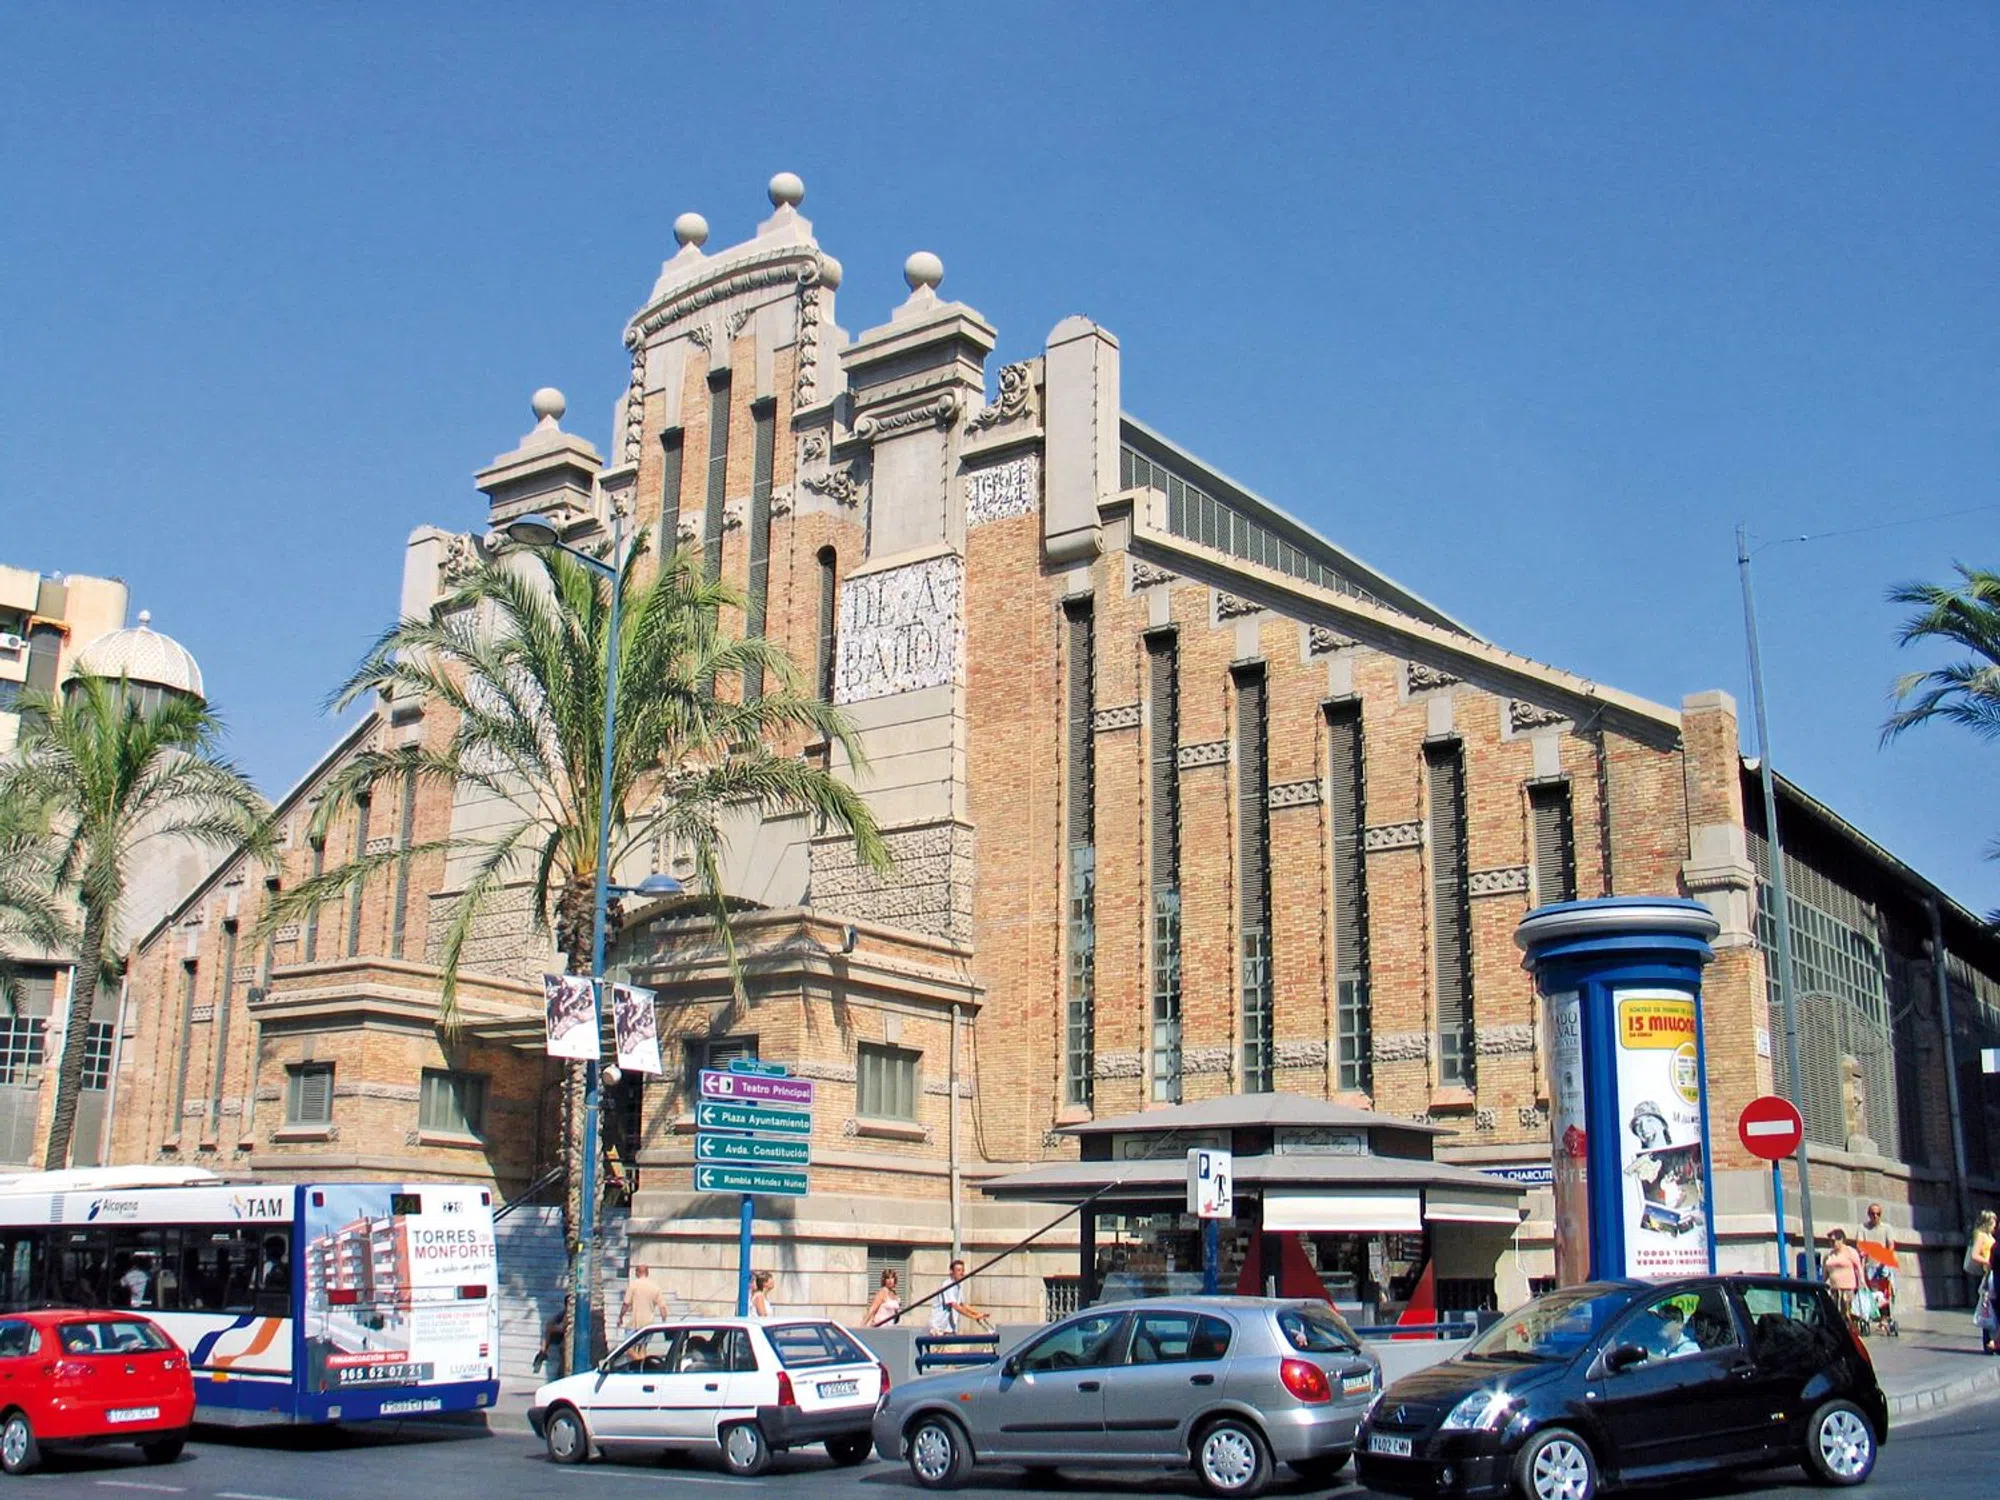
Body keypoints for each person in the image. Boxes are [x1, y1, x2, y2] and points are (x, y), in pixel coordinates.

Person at [928, 1259, 988, 1336]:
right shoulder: (948, 1285)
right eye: (959, 1270)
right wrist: (974, 1317)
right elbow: (955, 1306)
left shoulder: (958, 1286)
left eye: (963, 1270)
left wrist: (978, 1313)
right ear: (951, 1272)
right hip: (938, 1329)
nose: (962, 1273)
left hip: (948, 1330)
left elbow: (963, 1305)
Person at [1823, 1229, 1866, 1324]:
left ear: (1841, 1240)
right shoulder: (1829, 1255)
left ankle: (1849, 1328)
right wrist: (1823, 1285)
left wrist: (1862, 1281)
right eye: (1829, 1241)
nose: (1831, 1243)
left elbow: (1858, 1267)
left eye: (1833, 1241)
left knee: (1846, 1313)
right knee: (1834, 1313)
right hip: (1834, 1289)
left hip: (1847, 1289)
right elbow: (1825, 1273)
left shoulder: (1850, 1252)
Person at [621, 1264, 667, 1339]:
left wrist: (620, 1316)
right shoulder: (655, 1287)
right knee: (643, 1345)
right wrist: (664, 1321)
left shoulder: (633, 1285)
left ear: (637, 1272)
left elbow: (626, 1304)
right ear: (647, 1273)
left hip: (634, 1324)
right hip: (648, 1325)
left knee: (630, 1345)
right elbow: (662, 1307)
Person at [531, 1308, 568, 1378]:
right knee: (549, 1326)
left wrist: (552, 1327)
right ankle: (542, 1352)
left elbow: (563, 1327)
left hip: (564, 1334)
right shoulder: (564, 1312)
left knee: (550, 1329)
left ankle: (542, 1353)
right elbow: (554, 1322)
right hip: (561, 1332)